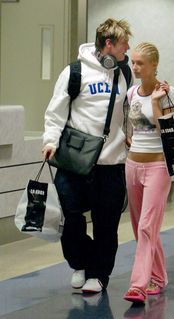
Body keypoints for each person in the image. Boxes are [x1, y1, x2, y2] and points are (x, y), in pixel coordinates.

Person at [42, 18, 132, 294]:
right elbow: (56, 110)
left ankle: (98, 274)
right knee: (69, 217)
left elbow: (128, 110)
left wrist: (130, 134)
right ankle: (80, 261)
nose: (127, 47)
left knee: (107, 224)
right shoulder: (75, 72)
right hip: (75, 162)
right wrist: (50, 141)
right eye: (123, 43)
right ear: (108, 44)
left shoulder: (124, 73)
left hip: (111, 163)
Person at [123, 42, 174, 303]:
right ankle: (158, 276)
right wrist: (128, 139)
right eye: (133, 62)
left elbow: (167, 132)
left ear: (154, 65)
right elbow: (129, 126)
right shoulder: (132, 92)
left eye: (140, 63)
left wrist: (156, 103)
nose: (135, 67)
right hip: (132, 165)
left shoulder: (167, 93)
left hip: (158, 166)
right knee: (140, 227)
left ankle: (138, 285)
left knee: (147, 226)